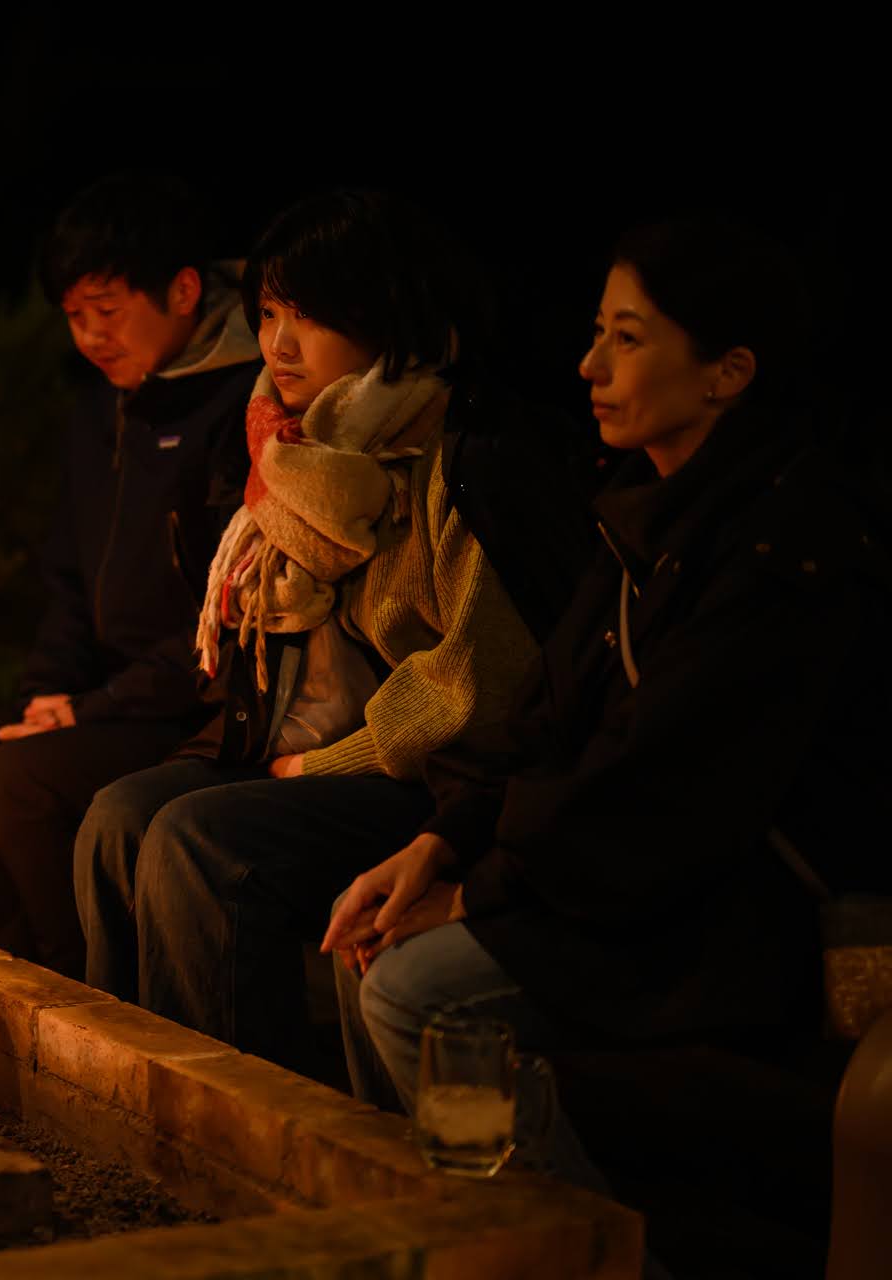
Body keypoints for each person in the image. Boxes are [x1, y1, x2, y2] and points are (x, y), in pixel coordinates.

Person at [323, 218, 889, 1211]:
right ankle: (444, 1231)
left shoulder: (782, 548)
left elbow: (663, 785)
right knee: (366, 943)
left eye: (627, 339)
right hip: (629, 880)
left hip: (731, 916)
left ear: (728, 371)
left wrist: (479, 896)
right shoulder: (641, 510)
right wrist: (442, 844)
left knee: (418, 992)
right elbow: (542, 719)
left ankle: (580, 1247)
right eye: (596, 333)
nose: (589, 364)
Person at [74, 189, 584, 1077]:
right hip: (284, 741)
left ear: (386, 313)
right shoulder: (289, 443)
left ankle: (241, 1117)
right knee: (116, 820)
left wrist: (321, 766)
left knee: (200, 842)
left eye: (307, 318)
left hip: (423, 778)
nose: (277, 345)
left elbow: (474, 689)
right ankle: (125, 1091)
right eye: (268, 314)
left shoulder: (454, 451)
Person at [0, 173, 261, 976]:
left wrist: (90, 709)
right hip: (104, 698)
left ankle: (78, 992)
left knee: (17, 782)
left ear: (183, 290)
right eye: (73, 316)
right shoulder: (101, 411)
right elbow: (67, 576)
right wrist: (45, 697)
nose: (91, 337)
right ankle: (17, 976)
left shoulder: (241, 406)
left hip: (192, 709)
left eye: (108, 311)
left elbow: (228, 617)